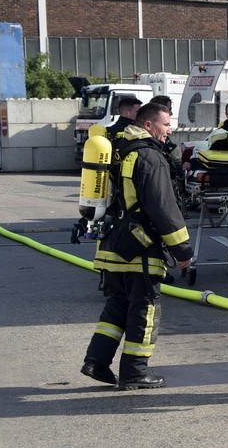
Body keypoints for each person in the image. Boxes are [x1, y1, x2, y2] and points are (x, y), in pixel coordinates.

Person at [82, 102, 193, 390]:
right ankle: (135, 371)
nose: (169, 130)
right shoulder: (150, 158)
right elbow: (163, 208)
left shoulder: (119, 150)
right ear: (148, 125)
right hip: (140, 249)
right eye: (166, 124)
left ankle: (96, 361)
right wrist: (182, 250)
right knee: (145, 309)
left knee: (117, 306)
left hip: (113, 244)